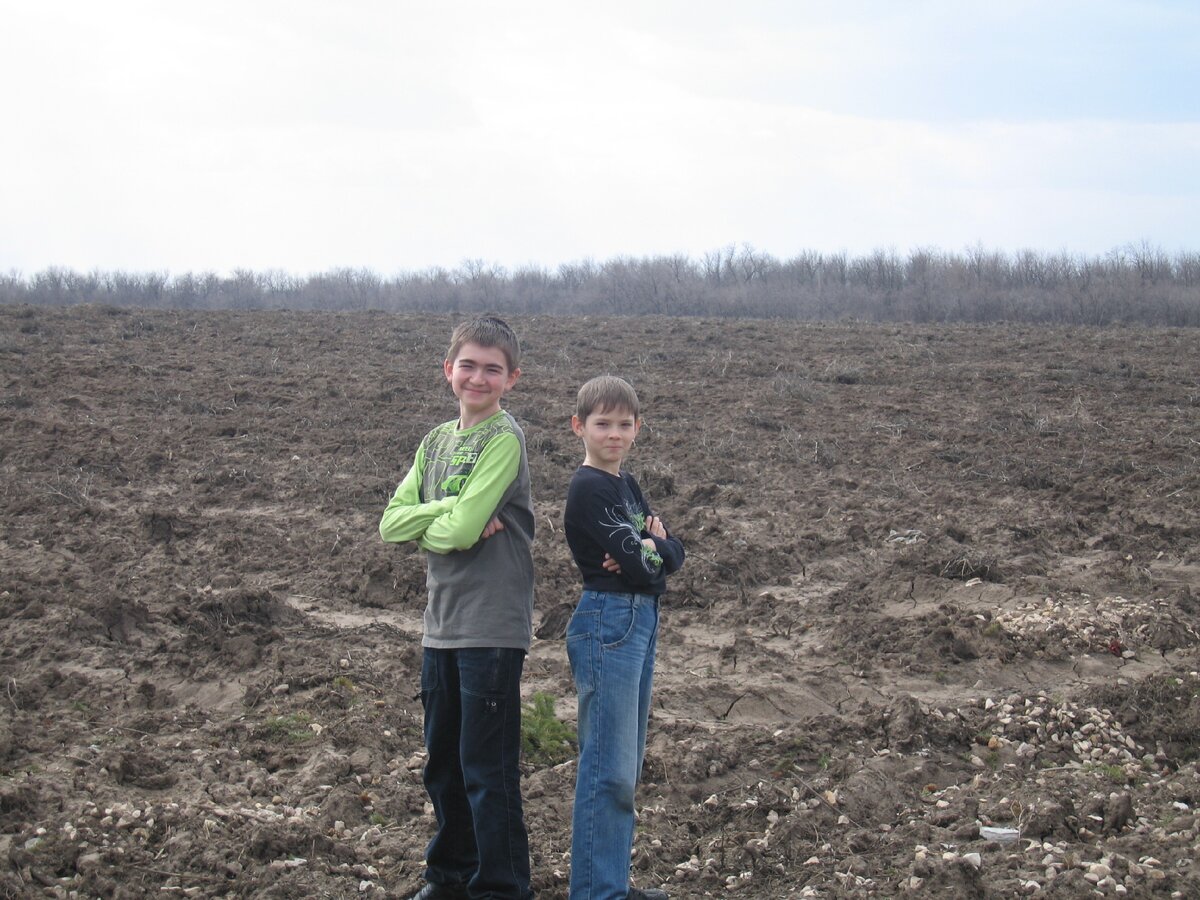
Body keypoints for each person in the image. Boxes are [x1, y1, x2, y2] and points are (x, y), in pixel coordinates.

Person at [379, 315, 534, 900]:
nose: (478, 377)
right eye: (467, 365)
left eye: (492, 368)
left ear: (511, 379)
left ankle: (501, 888)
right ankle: (448, 879)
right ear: (448, 370)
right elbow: (391, 522)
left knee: (486, 769)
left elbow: (467, 527)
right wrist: (442, 518)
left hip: (491, 627)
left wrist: (449, 520)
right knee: (442, 764)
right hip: (440, 625)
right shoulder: (435, 441)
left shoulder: (504, 439)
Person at [563, 375, 685, 900]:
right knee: (607, 769)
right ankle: (596, 893)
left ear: (638, 427)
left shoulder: (626, 485)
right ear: (579, 427)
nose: (614, 434)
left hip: (638, 617)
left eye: (624, 424)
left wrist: (653, 550)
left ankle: (609, 884)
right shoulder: (589, 487)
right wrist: (648, 546)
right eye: (602, 423)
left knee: (625, 766)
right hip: (609, 621)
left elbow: (664, 556)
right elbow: (645, 559)